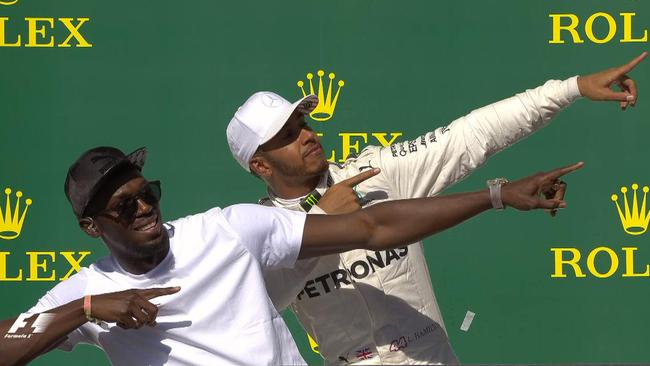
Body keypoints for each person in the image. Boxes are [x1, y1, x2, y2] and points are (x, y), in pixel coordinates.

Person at [225, 52, 646, 365]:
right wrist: (319, 222)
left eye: (303, 123)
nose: (307, 135)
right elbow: (259, 309)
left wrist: (570, 88)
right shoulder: (262, 230)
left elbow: (472, 135)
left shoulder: (377, 173)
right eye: (287, 134)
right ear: (260, 165)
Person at [0, 145, 581, 366]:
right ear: (90, 226)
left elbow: (373, 226)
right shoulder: (85, 291)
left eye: (146, 195)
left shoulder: (228, 230)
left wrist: (499, 195)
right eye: (123, 208)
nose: (144, 210)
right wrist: (89, 310)